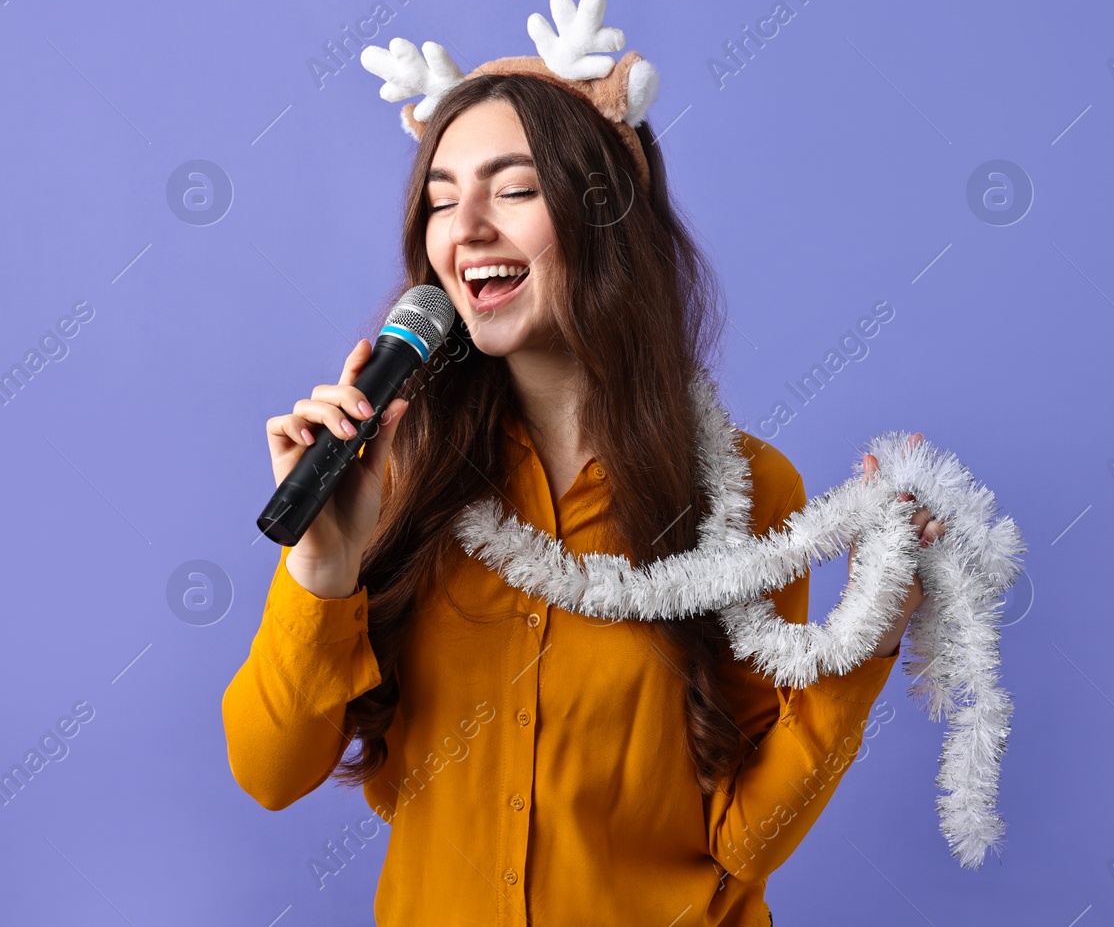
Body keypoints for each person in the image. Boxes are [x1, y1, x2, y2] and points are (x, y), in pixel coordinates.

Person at [221, 61, 944, 924]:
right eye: (443, 200)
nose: (468, 228)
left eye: (514, 189)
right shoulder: (393, 478)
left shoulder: (742, 493)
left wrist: (867, 634)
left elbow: (745, 841)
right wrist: (324, 565)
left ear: (606, 213)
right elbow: (269, 772)